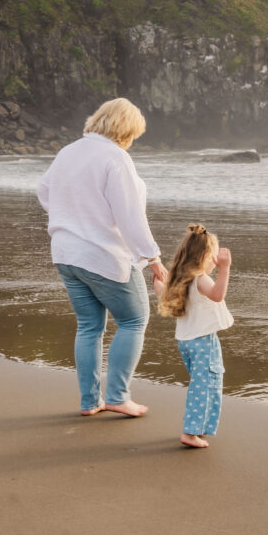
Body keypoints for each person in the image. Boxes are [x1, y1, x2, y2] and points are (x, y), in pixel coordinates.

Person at [37, 98, 167, 418]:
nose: (132, 142)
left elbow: (44, 191)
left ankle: (89, 401)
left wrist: (72, 219)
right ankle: (118, 396)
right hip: (102, 255)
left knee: (89, 326)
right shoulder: (115, 158)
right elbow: (130, 216)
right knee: (134, 320)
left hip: (66, 254)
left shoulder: (68, 151)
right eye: (133, 135)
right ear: (125, 130)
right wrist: (153, 258)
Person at [153, 223, 234, 448]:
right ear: (206, 256)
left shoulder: (179, 279)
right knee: (205, 386)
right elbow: (217, 295)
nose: (215, 263)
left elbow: (163, 295)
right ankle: (190, 433)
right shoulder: (200, 278)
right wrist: (226, 269)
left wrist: (159, 283)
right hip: (204, 342)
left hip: (186, 342)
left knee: (202, 384)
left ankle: (199, 428)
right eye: (214, 258)